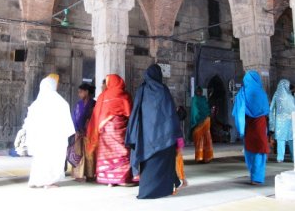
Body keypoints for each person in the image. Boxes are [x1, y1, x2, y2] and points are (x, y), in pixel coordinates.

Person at [125, 64, 183, 199]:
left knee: (148, 164)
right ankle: (165, 188)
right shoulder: (163, 90)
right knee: (164, 162)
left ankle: (147, 191)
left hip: (146, 137)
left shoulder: (142, 90)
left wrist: (134, 133)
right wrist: (174, 131)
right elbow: (170, 113)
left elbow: (136, 113)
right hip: (164, 135)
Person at [24, 74, 75, 188]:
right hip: (54, 138)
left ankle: (35, 180)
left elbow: (29, 122)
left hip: (40, 138)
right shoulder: (59, 101)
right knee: (52, 158)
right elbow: (65, 121)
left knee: (40, 159)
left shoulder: (36, 103)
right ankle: (49, 182)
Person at [87, 74, 133, 186]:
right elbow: (129, 113)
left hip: (105, 130)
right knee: (122, 152)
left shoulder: (103, 96)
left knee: (106, 154)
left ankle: (108, 179)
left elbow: (97, 114)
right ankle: (122, 178)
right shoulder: (125, 95)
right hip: (120, 129)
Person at [232, 70, 269, 185]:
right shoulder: (262, 93)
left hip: (249, 125)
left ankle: (253, 175)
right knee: (260, 150)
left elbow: (238, 111)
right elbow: (267, 110)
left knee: (251, 150)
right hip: (261, 124)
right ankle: (258, 177)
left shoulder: (242, 93)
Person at [71, 83, 96, 181]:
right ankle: (78, 175)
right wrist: (76, 129)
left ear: (87, 92)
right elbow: (74, 117)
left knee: (89, 153)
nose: (79, 94)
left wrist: (86, 128)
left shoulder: (94, 104)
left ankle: (90, 174)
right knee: (78, 152)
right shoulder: (78, 104)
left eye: (81, 92)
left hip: (89, 132)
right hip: (78, 131)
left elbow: (93, 118)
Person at [269, 79, 295, 162]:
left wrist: (272, 124)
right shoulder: (290, 96)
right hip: (290, 121)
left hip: (280, 121)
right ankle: (293, 157)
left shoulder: (276, 95)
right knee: (291, 139)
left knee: (281, 140)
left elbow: (271, 109)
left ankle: (280, 158)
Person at [190, 86, 213, 163]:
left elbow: (196, 111)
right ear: (196, 92)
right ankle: (202, 157)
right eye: (198, 91)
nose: (199, 92)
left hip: (203, 122)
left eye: (200, 91)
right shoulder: (196, 99)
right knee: (202, 140)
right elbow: (195, 111)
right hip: (201, 123)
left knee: (205, 140)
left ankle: (205, 157)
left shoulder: (201, 99)